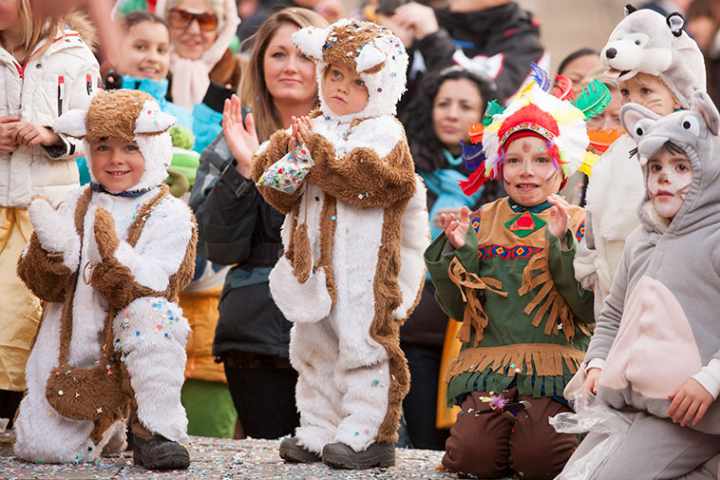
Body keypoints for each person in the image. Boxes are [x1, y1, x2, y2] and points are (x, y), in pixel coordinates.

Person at [251, 19, 428, 469]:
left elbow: (375, 182)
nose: (342, 89)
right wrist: (282, 157)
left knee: (363, 347)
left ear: (382, 86)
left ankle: (369, 432)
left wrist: (318, 155)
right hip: (314, 268)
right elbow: (277, 193)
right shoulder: (313, 127)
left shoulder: (386, 133)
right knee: (314, 346)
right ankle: (319, 427)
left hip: (364, 271)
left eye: (357, 81)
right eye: (334, 75)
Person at [424, 74, 607, 479]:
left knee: (541, 458)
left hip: (555, 367)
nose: (527, 171)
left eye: (541, 160)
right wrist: (458, 251)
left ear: (562, 167)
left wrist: (561, 246)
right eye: (515, 160)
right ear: (499, 166)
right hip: (490, 367)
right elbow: (457, 308)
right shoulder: (481, 221)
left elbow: (585, 308)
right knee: (471, 456)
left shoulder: (580, 222)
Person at [13, 90, 197, 470]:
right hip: (74, 342)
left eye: (130, 147)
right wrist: (50, 256)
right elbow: (42, 286)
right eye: (102, 147)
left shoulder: (169, 213)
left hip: (133, 337)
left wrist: (115, 257)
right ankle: (106, 424)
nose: (115, 160)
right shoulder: (74, 202)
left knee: (156, 315)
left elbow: (160, 281)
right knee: (44, 450)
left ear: (153, 146)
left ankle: (154, 427)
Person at [558, 92, 720, 480]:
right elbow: (614, 313)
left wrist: (709, 380)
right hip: (634, 405)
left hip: (692, 415)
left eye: (682, 166)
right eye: (656, 167)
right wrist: (597, 361)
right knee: (577, 474)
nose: (664, 177)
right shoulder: (640, 240)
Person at [192, 7, 327, 441]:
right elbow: (218, 247)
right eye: (278, 55)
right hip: (255, 330)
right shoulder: (230, 137)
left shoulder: (360, 140)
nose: (290, 67)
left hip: (333, 327)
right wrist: (246, 169)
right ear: (260, 64)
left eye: (304, 56)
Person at [0, 0, 99, 428]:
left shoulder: (76, 56)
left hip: (42, 205)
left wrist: (51, 136)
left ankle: (11, 402)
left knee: (18, 308)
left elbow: (94, 128)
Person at [574, 6, 707, 317]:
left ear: (676, 93)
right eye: (626, 92)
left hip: (674, 309)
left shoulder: (698, 151)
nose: (634, 102)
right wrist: (590, 268)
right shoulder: (616, 152)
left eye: (646, 90)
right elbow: (594, 223)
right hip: (614, 308)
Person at [398, 66, 495, 450]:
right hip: (417, 331)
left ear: (484, 116)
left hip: (476, 338)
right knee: (422, 447)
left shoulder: (503, 176)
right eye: (444, 104)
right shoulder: (408, 172)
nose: (452, 114)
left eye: (465, 105)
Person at [388, 0, 544, 105]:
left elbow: (488, 99)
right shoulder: (431, 19)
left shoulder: (524, 44)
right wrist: (395, 49)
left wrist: (432, 39)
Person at [156, 0, 240, 108]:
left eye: (206, 20)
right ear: (166, 23)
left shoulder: (241, 76)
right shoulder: (147, 70)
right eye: (182, 18)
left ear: (220, 30)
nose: (194, 30)